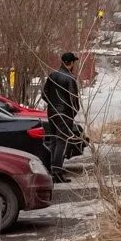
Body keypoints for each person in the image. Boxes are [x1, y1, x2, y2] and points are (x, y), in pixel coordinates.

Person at [43, 52, 82, 182]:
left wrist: (53, 106)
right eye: (74, 63)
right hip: (64, 114)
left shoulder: (52, 75)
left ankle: (52, 170)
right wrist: (73, 113)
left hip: (52, 113)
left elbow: (44, 94)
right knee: (61, 142)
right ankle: (57, 172)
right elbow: (73, 99)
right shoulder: (70, 78)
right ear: (71, 63)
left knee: (54, 141)